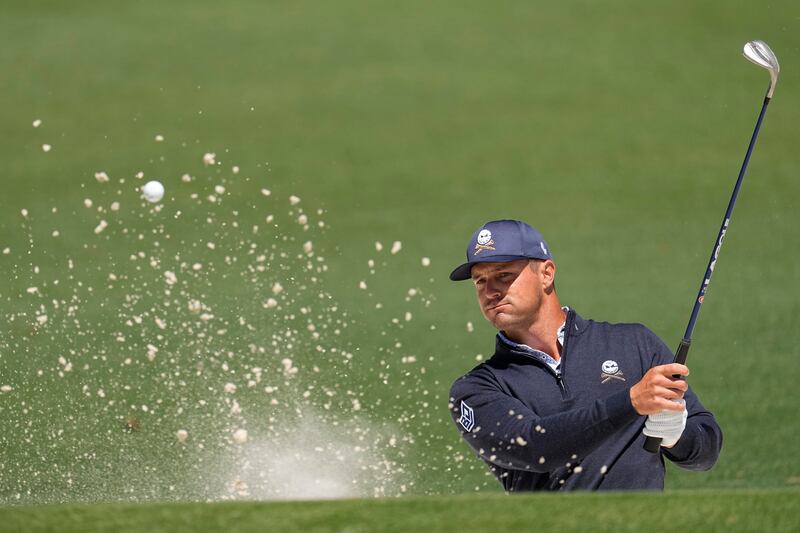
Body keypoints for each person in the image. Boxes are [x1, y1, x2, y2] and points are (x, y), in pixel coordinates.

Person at [448, 219, 722, 491]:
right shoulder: (475, 390)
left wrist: (677, 435)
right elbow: (533, 447)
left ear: (547, 273)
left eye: (504, 275)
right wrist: (631, 402)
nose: (490, 292)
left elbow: (706, 452)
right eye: (480, 281)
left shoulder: (635, 344)